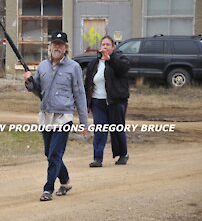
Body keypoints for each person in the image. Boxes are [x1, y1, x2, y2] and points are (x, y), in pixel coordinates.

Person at [24, 30, 89, 202]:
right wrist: (29, 83)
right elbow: (38, 91)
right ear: (49, 46)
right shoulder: (42, 66)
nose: (57, 47)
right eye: (54, 44)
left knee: (54, 155)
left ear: (66, 48)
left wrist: (84, 122)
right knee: (49, 153)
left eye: (60, 45)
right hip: (46, 115)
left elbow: (80, 94)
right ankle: (66, 181)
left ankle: (48, 189)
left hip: (64, 117)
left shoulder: (74, 67)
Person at [84, 35, 130, 168]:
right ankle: (97, 158)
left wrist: (110, 60)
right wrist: (87, 102)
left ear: (113, 47)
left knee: (117, 129)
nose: (105, 47)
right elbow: (88, 83)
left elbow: (123, 69)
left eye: (108, 45)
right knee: (99, 130)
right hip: (98, 102)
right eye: (103, 45)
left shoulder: (119, 59)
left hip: (115, 101)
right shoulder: (94, 63)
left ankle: (123, 154)